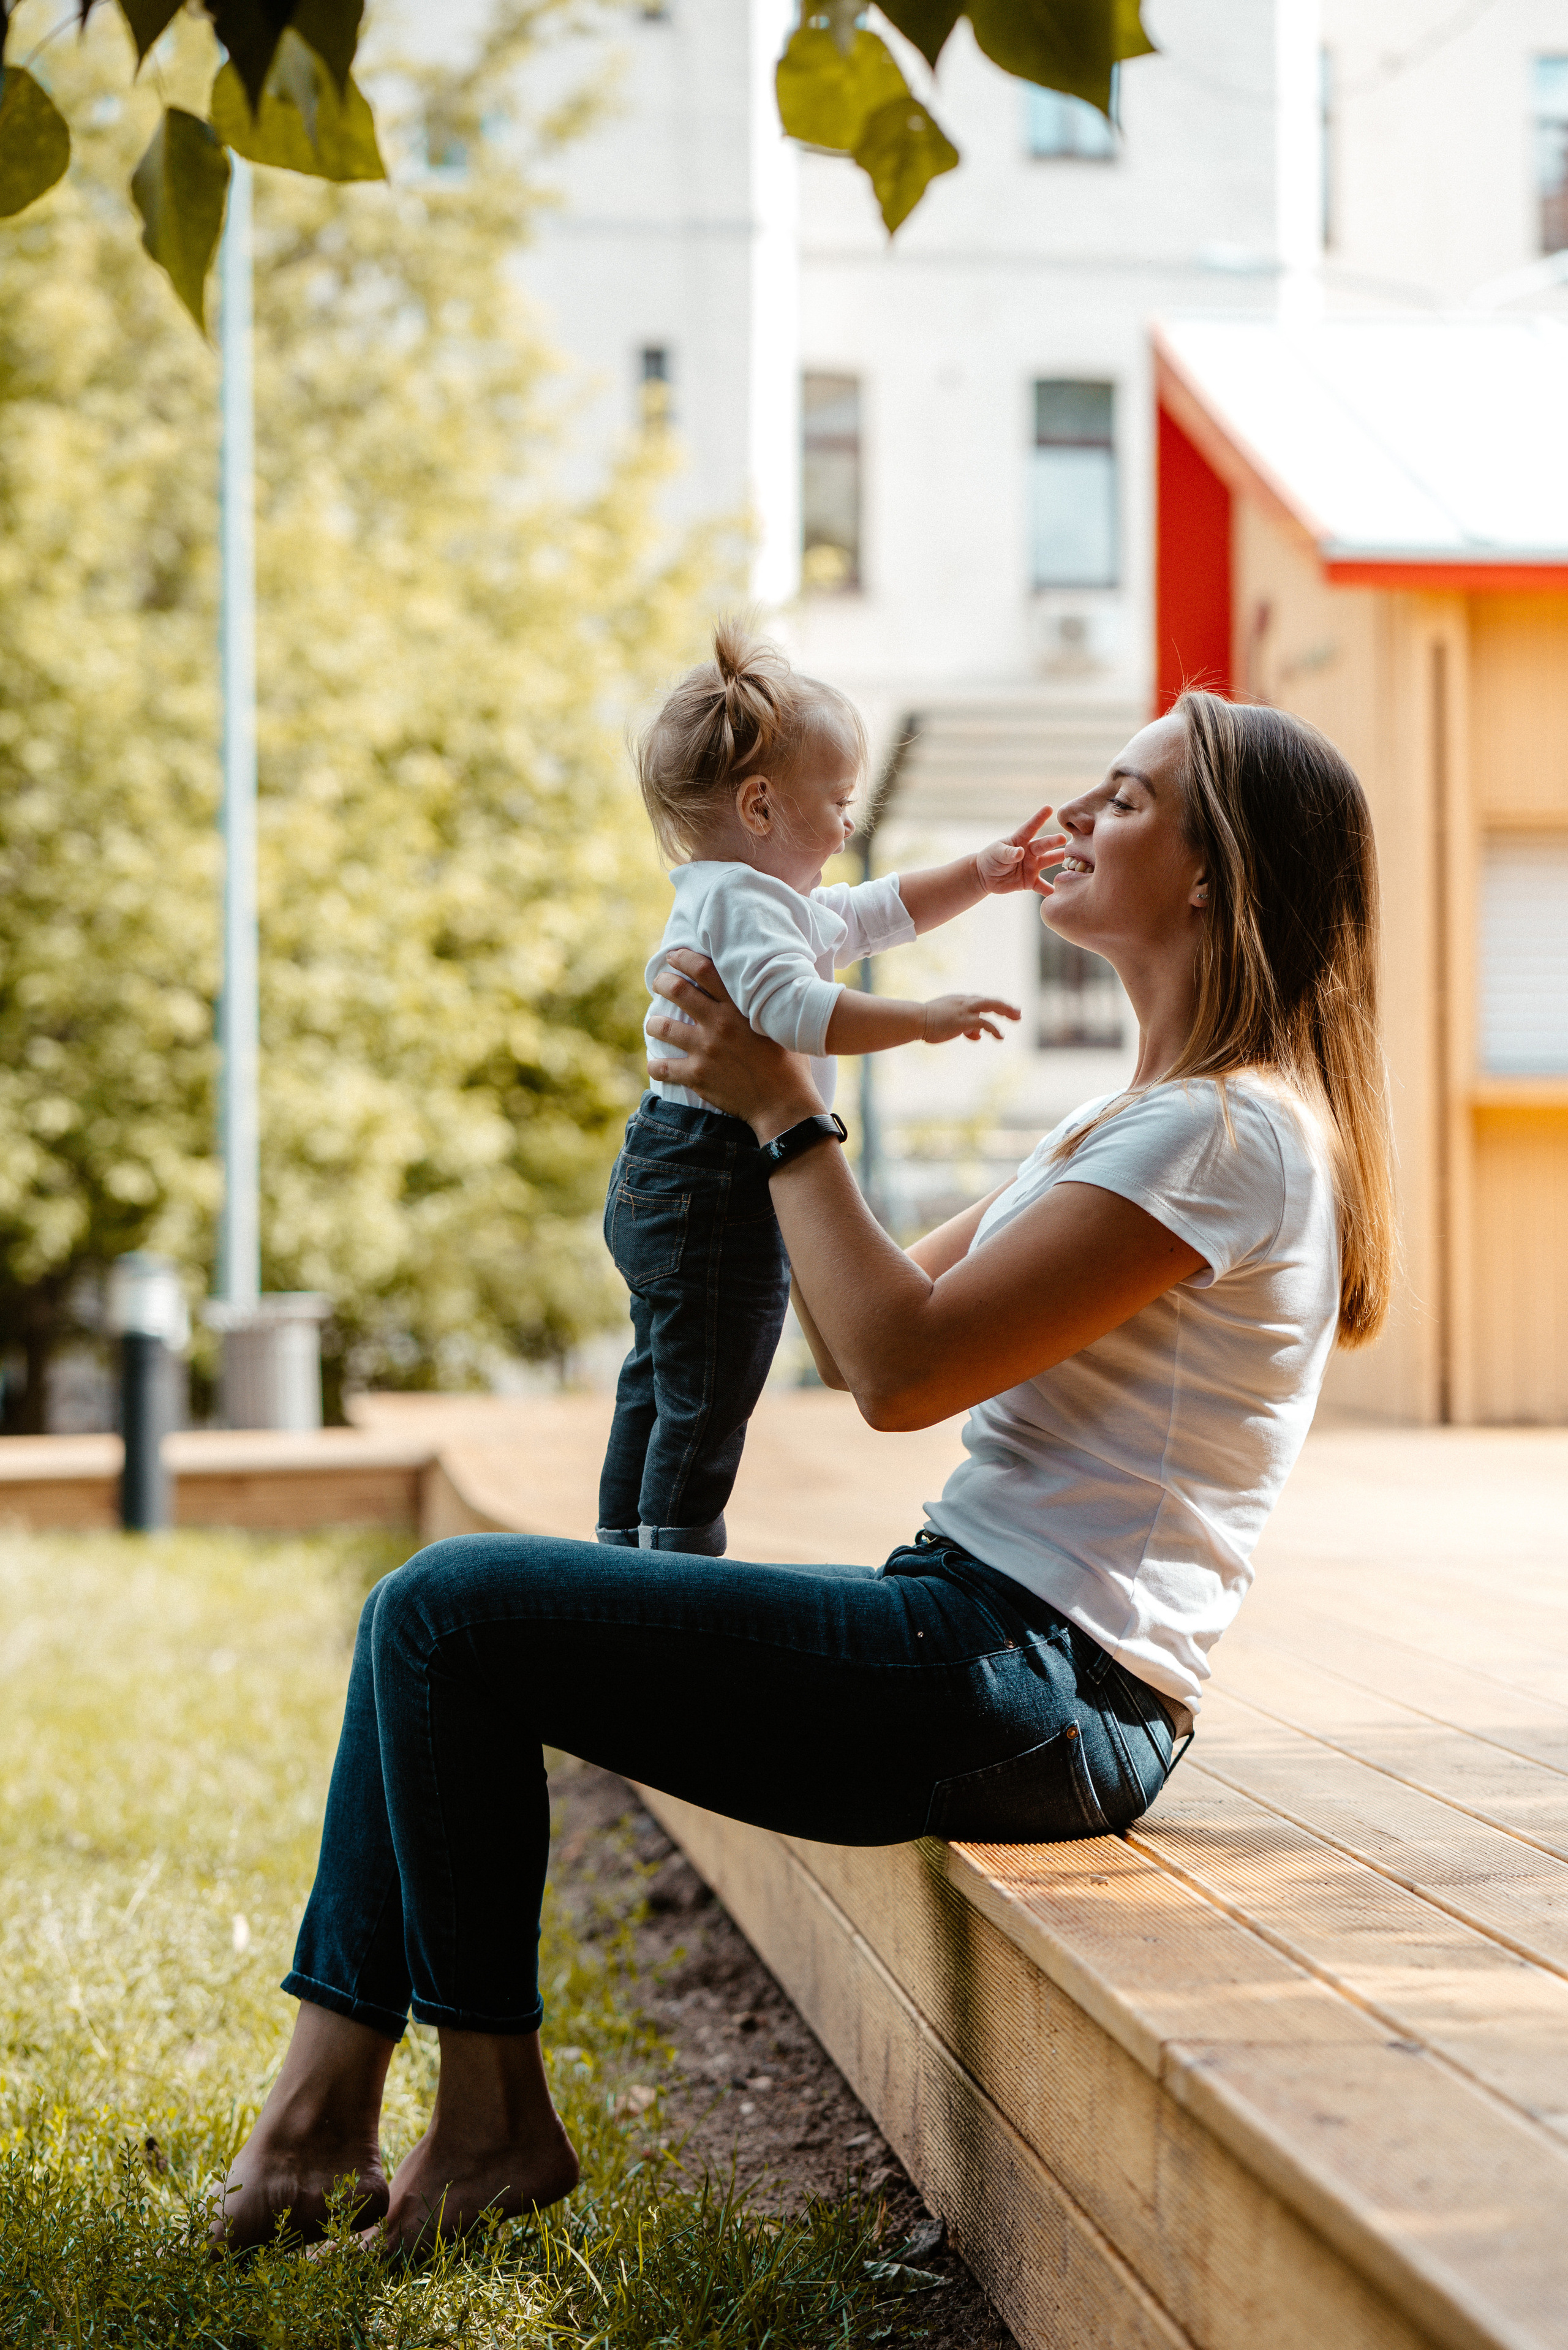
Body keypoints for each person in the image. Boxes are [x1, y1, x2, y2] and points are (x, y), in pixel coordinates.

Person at [211, 691, 1394, 2257]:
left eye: (1123, 798)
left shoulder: (1224, 1138)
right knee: (435, 1621)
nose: (1080, 815)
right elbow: (867, 1329)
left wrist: (782, 1098)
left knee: (445, 1612)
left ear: (1207, 874)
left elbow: (897, 1373)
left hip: (1041, 1681)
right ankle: (324, 2108)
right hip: (984, 1642)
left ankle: (476, 2117)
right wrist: (727, 1135)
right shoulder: (1141, 1123)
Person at [599, 617, 1061, 1556]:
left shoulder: (753, 898)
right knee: (711, 1385)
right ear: (761, 807)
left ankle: (622, 1543)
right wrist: (921, 1019)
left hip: (667, 1173)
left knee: (660, 1375)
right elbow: (799, 1011)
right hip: (711, 1182)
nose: (850, 821)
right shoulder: (745, 906)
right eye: (839, 801)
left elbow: (877, 910)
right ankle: (672, 1560)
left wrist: (979, 874)